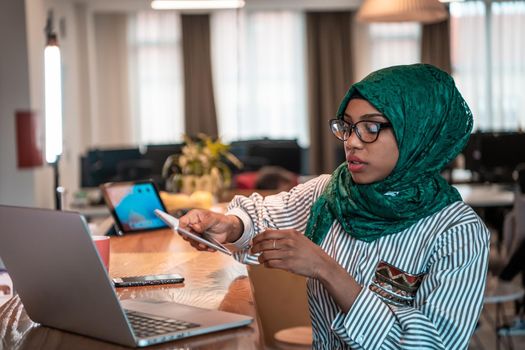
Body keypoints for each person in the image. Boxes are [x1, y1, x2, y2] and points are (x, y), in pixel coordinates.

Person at [179, 64, 490, 349]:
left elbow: (434, 344)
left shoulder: (458, 233)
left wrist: (326, 269)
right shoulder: (331, 194)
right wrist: (229, 225)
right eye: (348, 126)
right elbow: (262, 218)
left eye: (371, 127)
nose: (351, 142)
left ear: (418, 134)